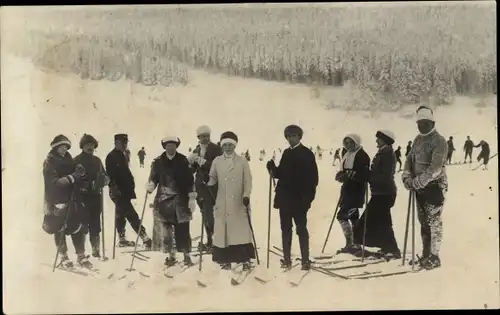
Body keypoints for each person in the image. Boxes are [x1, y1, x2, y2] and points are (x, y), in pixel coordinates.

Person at [266, 125, 318, 270]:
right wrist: (272, 168)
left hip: (300, 199)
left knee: (301, 228)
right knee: (285, 228)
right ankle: (287, 259)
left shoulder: (307, 154)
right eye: (288, 136)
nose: (291, 138)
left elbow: (313, 179)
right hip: (285, 198)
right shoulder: (287, 153)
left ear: (299, 137)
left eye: (294, 136)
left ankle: (305, 260)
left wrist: (308, 199)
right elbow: (281, 174)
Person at [402, 106, 448, 270]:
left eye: (425, 123)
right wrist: (406, 176)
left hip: (434, 187)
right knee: (423, 222)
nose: (421, 126)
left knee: (433, 221)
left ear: (432, 122)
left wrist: (417, 182)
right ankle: (426, 253)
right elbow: (409, 159)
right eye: (419, 123)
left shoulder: (439, 141)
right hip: (419, 187)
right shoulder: (418, 139)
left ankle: (435, 256)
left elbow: (435, 168)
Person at [42, 134, 92, 268]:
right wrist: (72, 177)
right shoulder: (49, 162)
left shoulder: (70, 160)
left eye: (66, 147)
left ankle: (81, 255)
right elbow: (53, 182)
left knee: (77, 227)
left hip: (71, 198)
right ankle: (63, 256)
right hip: (56, 199)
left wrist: (81, 173)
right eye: (62, 147)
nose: (65, 149)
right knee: (60, 227)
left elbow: (78, 176)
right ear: (56, 148)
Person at [207, 131, 255, 271]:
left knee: (240, 230)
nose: (228, 147)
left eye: (231, 145)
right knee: (224, 231)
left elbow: (248, 181)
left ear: (235, 146)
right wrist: (207, 180)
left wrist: (246, 195)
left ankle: (244, 259)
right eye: (225, 145)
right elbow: (213, 178)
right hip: (222, 201)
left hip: (239, 202)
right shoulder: (217, 161)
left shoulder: (242, 161)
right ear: (222, 146)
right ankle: (225, 259)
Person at [146, 136, 197, 266]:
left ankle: (186, 254)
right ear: (164, 146)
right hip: (164, 200)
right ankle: (171, 255)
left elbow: (189, 180)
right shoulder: (158, 162)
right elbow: (153, 178)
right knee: (167, 229)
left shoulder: (183, 160)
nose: (171, 147)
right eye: (168, 145)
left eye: (173, 145)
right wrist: (151, 185)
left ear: (176, 146)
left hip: (181, 199)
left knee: (183, 228)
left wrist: (192, 196)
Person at [354, 130, 401, 260]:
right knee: (380, 221)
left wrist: (369, 175)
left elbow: (385, 177)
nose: (376, 141)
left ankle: (392, 249)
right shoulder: (383, 152)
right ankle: (387, 247)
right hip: (380, 192)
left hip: (385, 193)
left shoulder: (388, 154)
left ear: (385, 140)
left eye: (378, 139)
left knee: (380, 221)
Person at [105, 134, 152, 249]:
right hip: (118, 191)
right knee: (131, 214)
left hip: (125, 190)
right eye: (122, 142)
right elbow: (110, 175)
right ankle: (145, 237)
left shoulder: (123, 154)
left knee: (121, 214)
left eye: (126, 142)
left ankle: (122, 239)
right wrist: (115, 189)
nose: (125, 145)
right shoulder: (111, 156)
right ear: (116, 143)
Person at [187, 125, 222, 253]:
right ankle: (210, 241)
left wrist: (202, 162)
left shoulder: (216, 149)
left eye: (207, 136)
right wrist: (189, 164)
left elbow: (217, 166)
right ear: (198, 137)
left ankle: (215, 241)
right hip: (200, 187)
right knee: (204, 214)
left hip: (212, 186)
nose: (206, 138)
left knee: (209, 213)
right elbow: (193, 170)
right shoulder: (196, 150)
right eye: (203, 136)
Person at [74, 134, 110, 258]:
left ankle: (96, 250)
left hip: (95, 197)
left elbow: (105, 176)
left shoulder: (97, 161)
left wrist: (105, 179)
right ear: (82, 146)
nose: (90, 147)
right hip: (82, 197)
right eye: (87, 145)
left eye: (92, 145)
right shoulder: (76, 160)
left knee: (95, 224)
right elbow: (75, 179)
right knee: (83, 224)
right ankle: (81, 252)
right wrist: (89, 184)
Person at [334, 133, 370, 255]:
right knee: (353, 217)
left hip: (356, 191)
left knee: (342, 216)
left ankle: (351, 243)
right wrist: (340, 175)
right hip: (347, 190)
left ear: (356, 142)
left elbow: (364, 174)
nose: (349, 145)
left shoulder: (362, 155)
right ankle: (355, 243)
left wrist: (349, 175)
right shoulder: (347, 154)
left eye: (351, 142)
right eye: (347, 143)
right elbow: (344, 171)